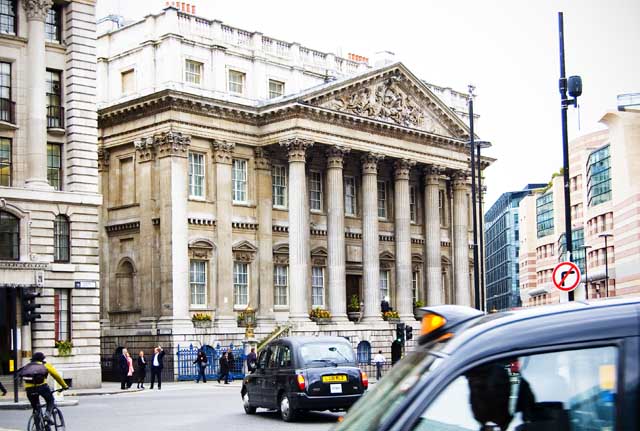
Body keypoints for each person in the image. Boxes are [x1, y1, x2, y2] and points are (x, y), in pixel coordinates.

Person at [20, 352, 68, 422]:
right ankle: (47, 414)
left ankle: (37, 423)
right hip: (42, 387)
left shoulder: (27, 366)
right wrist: (64, 386)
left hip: (29, 389)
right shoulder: (45, 365)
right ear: (42, 359)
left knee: (36, 408)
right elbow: (56, 375)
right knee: (50, 400)